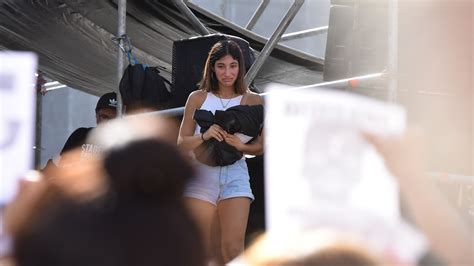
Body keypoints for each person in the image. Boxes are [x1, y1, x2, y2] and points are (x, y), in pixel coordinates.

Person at [177, 39, 264, 263]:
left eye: (233, 65)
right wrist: (204, 135)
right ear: (212, 68)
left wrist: (241, 146)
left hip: (235, 173)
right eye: (221, 66)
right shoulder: (197, 98)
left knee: (234, 250)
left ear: (240, 68)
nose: (228, 72)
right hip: (201, 174)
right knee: (204, 250)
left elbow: (261, 146)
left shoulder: (253, 100)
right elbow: (181, 143)